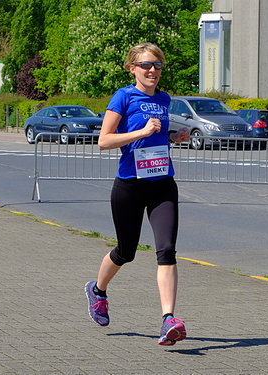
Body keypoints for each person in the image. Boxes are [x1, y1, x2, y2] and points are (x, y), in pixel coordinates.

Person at [85, 43, 190, 346]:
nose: (153, 70)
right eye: (146, 65)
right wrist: (141, 133)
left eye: (157, 65)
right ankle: (98, 291)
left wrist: (174, 137)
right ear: (132, 68)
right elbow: (104, 141)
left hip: (162, 183)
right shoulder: (123, 96)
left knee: (166, 250)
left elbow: (157, 138)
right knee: (125, 251)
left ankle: (168, 320)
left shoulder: (164, 99)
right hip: (129, 185)